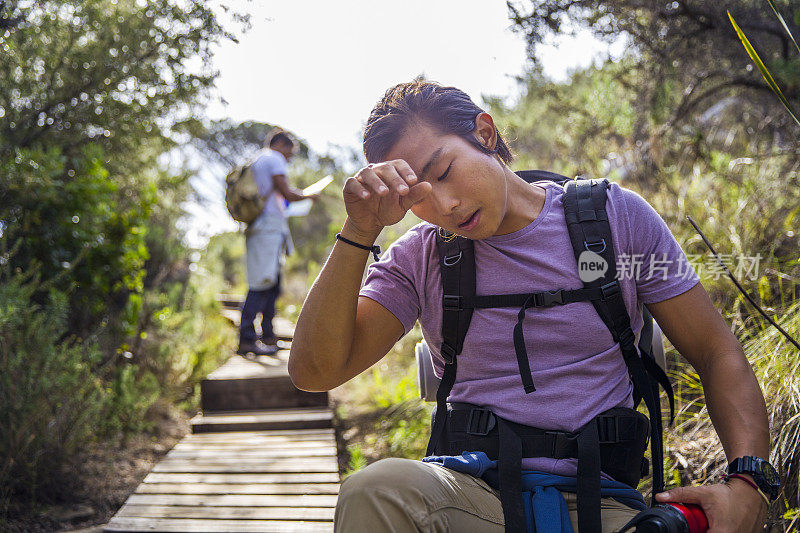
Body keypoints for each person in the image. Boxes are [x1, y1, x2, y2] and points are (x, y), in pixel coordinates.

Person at [288, 81, 772, 532]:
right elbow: (314, 372)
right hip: (473, 494)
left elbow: (716, 352)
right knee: (375, 490)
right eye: (420, 197)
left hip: (606, 503)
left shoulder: (615, 219)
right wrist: (359, 231)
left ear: (485, 132)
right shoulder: (421, 257)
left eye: (444, 171)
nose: (447, 206)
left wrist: (749, 483)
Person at [237, 129, 314, 357]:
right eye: (289, 153)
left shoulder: (260, 160)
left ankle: (268, 335)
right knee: (261, 284)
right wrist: (310, 195)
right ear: (280, 144)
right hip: (266, 230)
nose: (289, 158)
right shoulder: (272, 158)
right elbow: (287, 193)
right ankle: (247, 340)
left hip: (268, 229)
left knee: (272, 285)